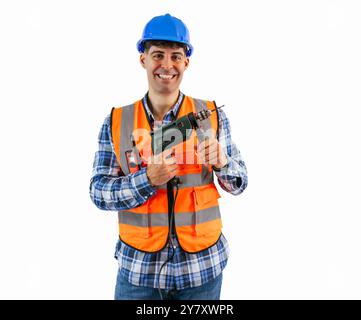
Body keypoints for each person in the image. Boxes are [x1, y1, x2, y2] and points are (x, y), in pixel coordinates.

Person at [89, 13, 248, 300]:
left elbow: (240, 183)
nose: (167, 65)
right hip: (139, 274)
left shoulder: (212, 115)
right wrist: (146, 179)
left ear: (186, 62)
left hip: (202, 269)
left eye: (176, 56)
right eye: (158, 55)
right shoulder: (116, 120)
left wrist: (223, 163)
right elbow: (98, 193)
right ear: (143, 59)